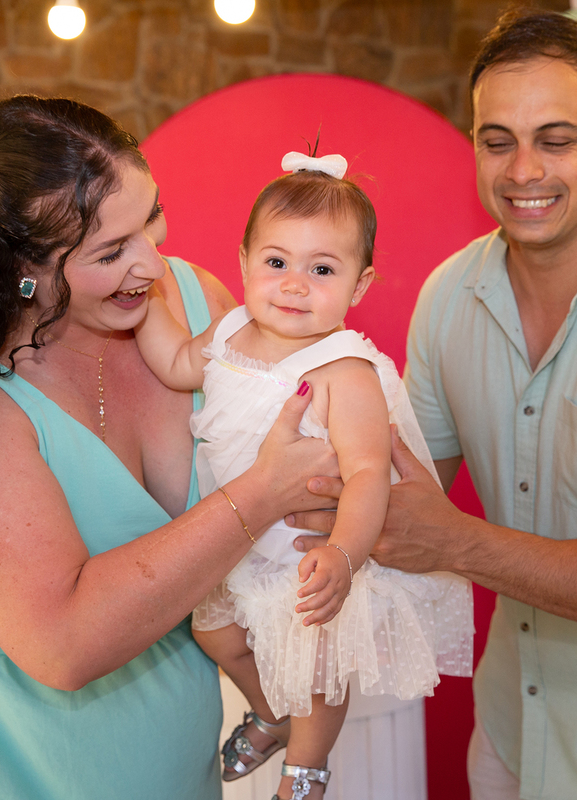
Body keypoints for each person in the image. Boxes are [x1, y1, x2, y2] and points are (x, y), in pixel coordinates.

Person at [292, 10, 577, 800]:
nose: (522, 170)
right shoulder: (448, 298)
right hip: (506, 724)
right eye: (497, 139)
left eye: (557, 139)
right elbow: (406, 496)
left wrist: (460, 544)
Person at [0, 96, 341, 800]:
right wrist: (264, 493)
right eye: (110, 252)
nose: (151, 263)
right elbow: (63, 642)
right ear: (23, 269)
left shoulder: (198, 305)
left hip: (166, 726)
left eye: (150, 220)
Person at [134, 152, 474, 800]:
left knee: (316, 660)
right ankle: (270, 713)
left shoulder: (345, 369)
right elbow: (178, 361)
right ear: (243, 263)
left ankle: (306, 770)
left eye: (321, 269)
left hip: (304, 556)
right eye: (276, 262)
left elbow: (371, 472)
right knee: (213, 632)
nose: (294, 284)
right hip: (235, 545)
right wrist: (145, 282)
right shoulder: (230, 329)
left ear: (360, 286)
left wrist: (346, 554)